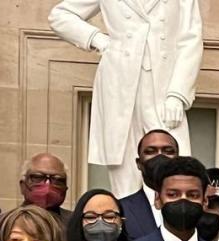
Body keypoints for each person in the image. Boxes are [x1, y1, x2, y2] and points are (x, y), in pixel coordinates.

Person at [48, 0, 202, 198]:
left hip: (163, 87)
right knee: (124, 174)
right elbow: (60, 15)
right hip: (119, 86)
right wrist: (98, 39)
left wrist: (177, 94)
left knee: (175, 167)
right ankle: (130, 224)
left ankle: (169, 222)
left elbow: (191, 38)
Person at [120, 129, 180, 241]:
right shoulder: (121, 209)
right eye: (151, 151)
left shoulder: (196, 205)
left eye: (168, 151)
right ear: (138, 163)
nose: (160, 156)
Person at [19, 152, 72, 227]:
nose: (47, 185)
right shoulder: (4, 223)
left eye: (57, 179)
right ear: (22, 186)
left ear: (65, 188)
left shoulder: (76, 224)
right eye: (37, 177)